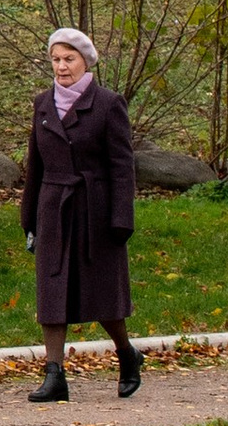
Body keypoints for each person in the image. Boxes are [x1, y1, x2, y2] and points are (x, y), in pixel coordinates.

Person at [19, 25, 141, 405]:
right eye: (55, 59)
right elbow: (35, 166)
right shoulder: (43, 104)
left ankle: (127, 355)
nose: (61, 66)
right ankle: (54, 375)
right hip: (54, 209)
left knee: (102, 295)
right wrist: (29, 218)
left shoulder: (108, 103)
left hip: (95, 211)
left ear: (85, 62)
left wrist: (121, 218)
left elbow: (122, 166)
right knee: (52, 293)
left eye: (68, 59)